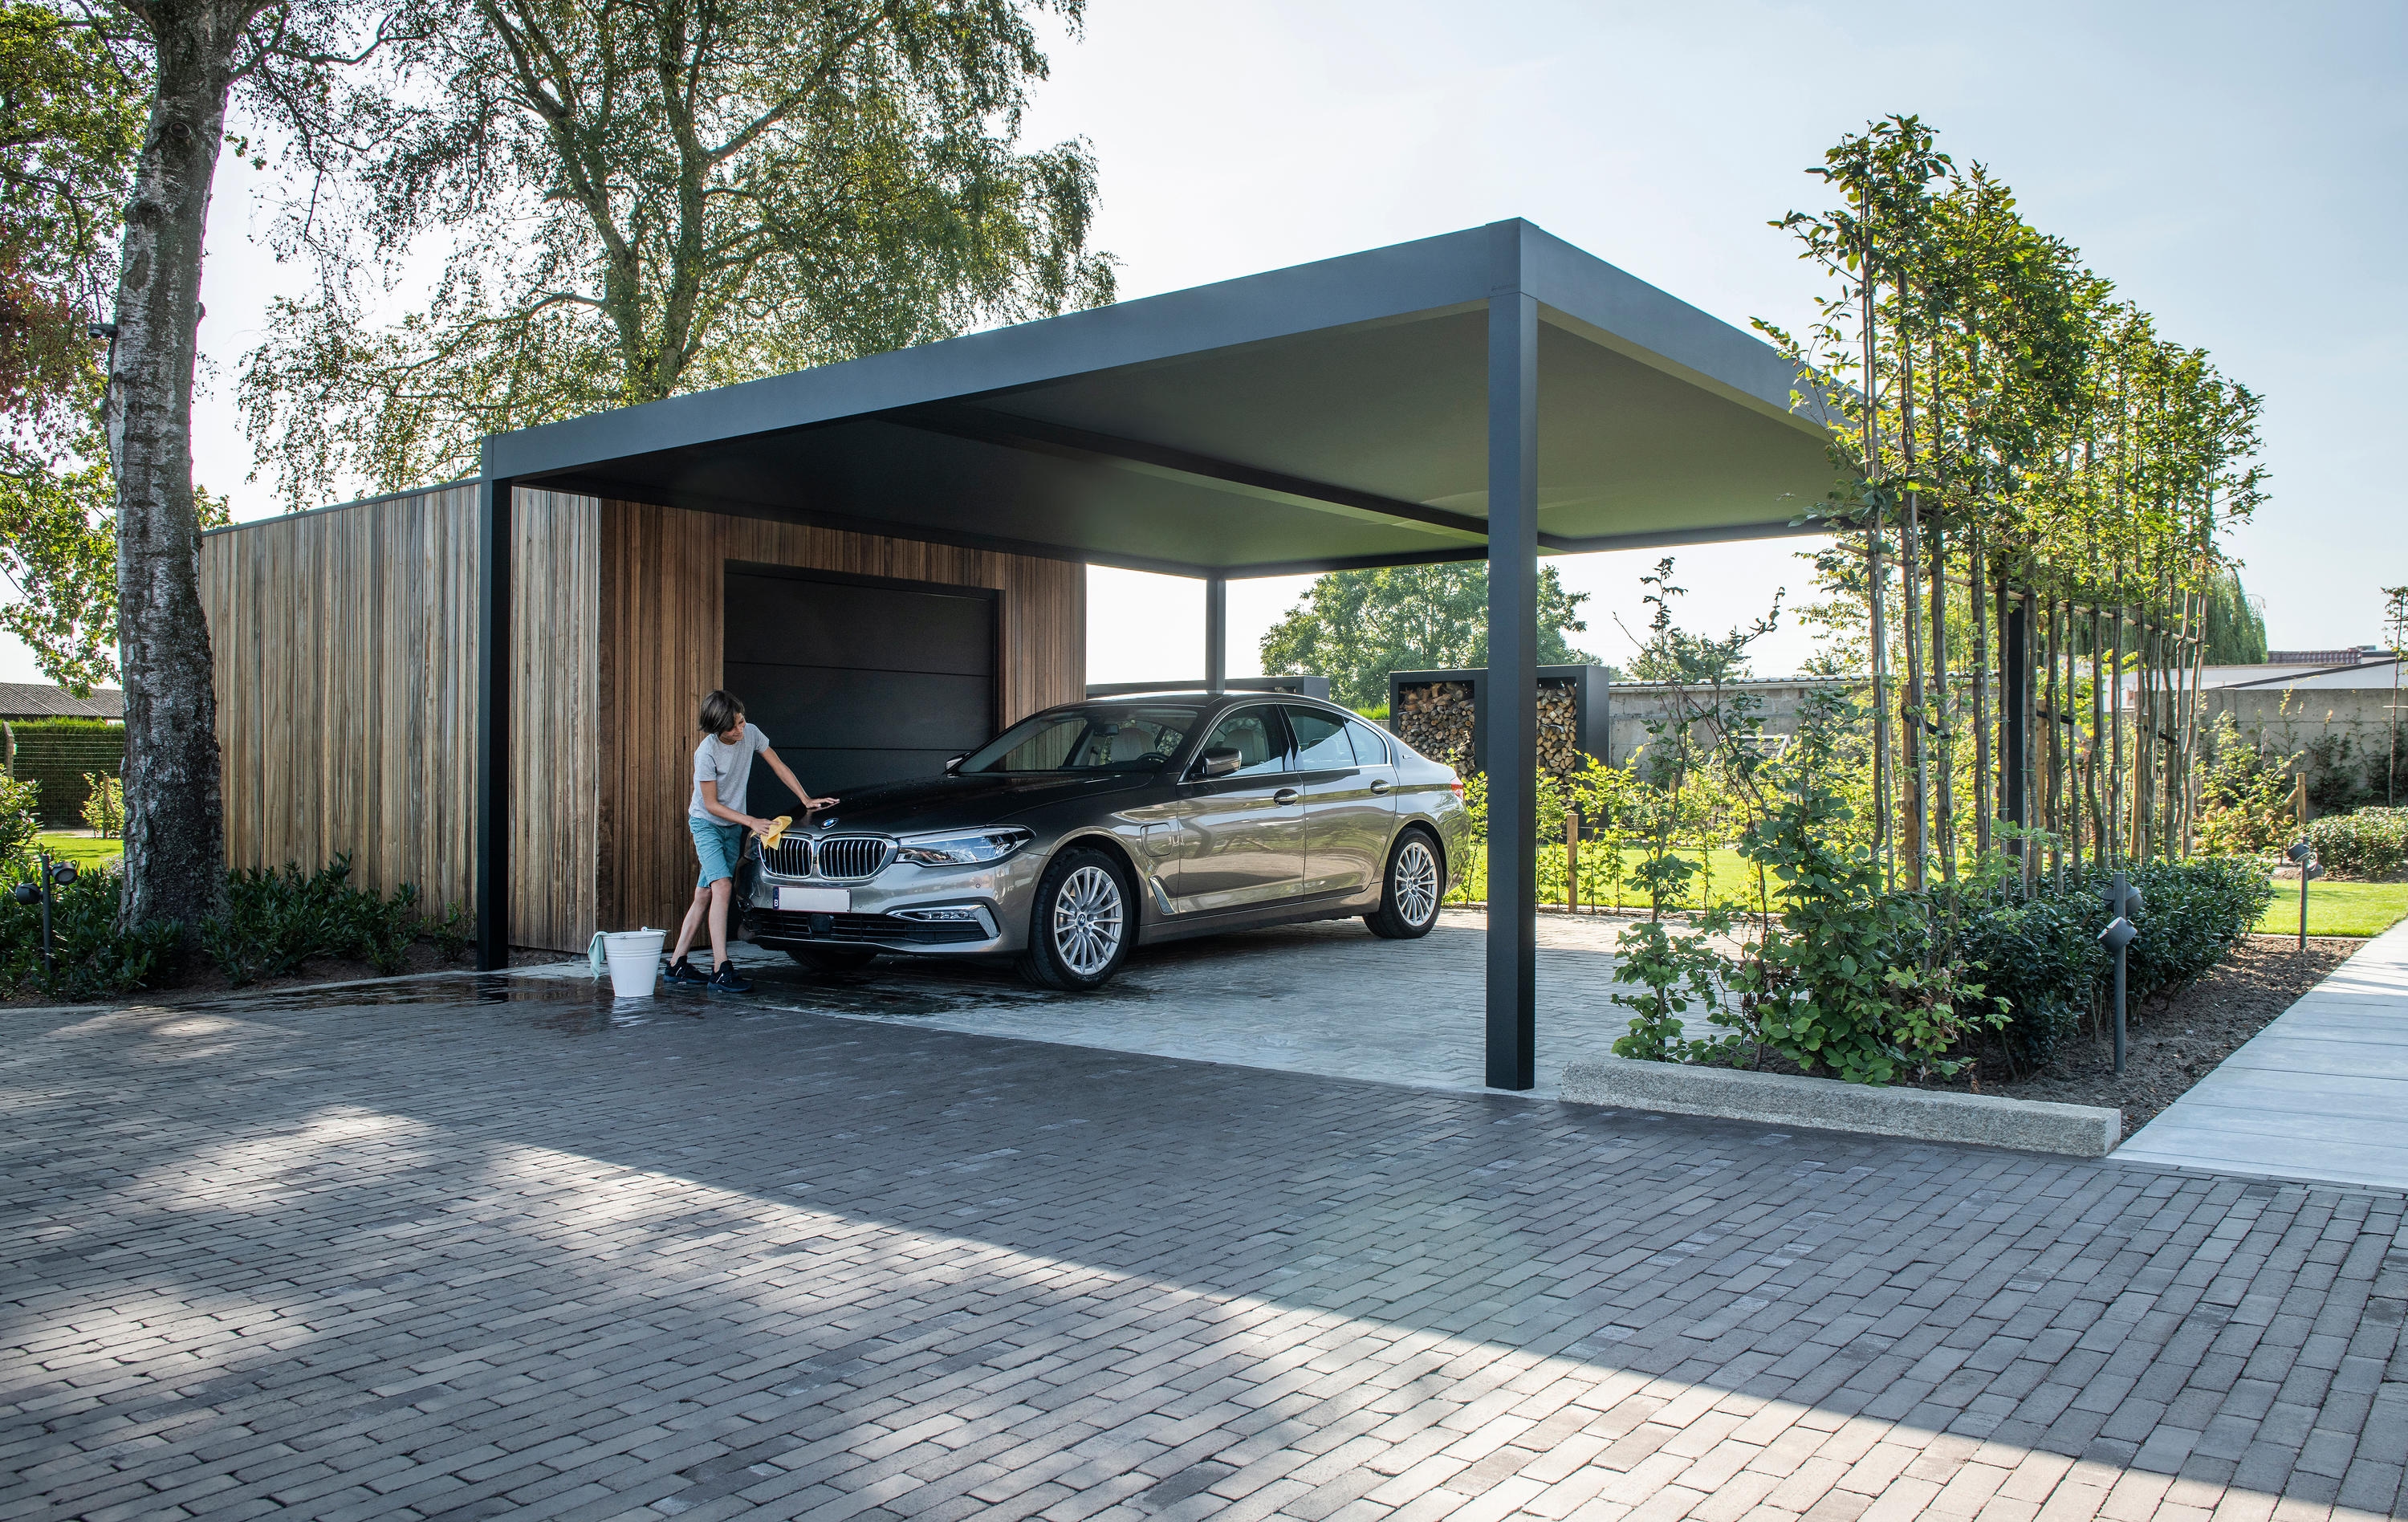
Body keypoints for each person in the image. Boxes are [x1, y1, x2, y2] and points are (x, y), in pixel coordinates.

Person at [665, 690, 834, 991]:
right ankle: (721, 968)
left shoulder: (751, 733)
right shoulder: (706, 753)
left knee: (704, 894)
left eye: (741, 721)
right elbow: (711, 805)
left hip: (732, 827)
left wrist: (806, 798)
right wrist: (752, 821)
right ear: (717, 728)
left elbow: (778, 765)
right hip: (707, 825)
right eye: (733, 727)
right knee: (722, 887)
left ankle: (677, 964)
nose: (740, 730)